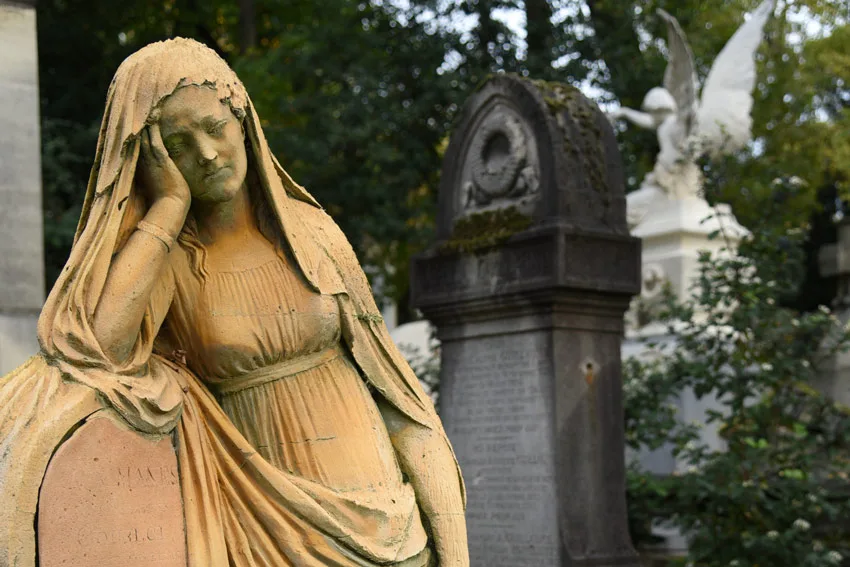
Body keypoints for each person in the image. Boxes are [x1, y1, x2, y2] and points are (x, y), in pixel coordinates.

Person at [0, 38, 468, 567]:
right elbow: (98, 350)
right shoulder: (169, 258)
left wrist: (453, 551)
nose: (205, 153)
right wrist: (168, 210)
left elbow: (400, 402)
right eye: (176, 145)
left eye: (214, 127)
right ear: (151, 159)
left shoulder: (314, 235)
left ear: (241, 117)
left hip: (388, 521)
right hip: (263, 520)